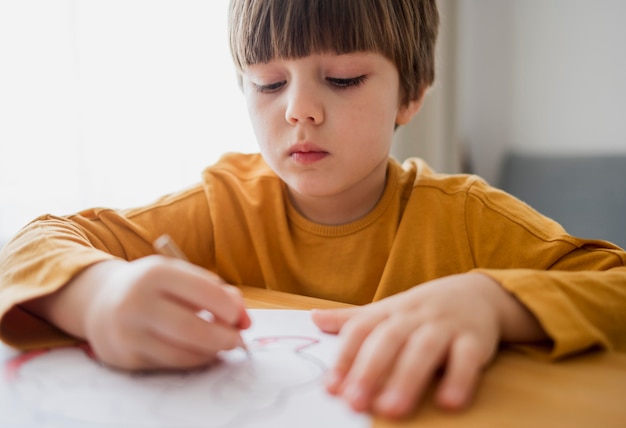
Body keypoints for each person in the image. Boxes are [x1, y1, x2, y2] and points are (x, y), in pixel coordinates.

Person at [1, 0, 625, 420]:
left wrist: (494, 302)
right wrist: (98, 293)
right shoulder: (221, 205)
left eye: (345, 78)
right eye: (269, 84)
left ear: (411, 94)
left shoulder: (464, 218)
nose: (298, 109)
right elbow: (29, 246)